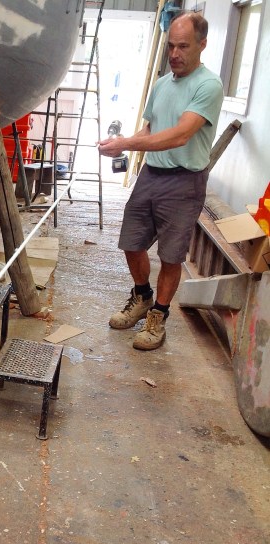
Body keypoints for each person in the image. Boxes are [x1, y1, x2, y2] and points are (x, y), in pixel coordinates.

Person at [97, 11, 223, 351]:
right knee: (131, 241)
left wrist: (126, 144)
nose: (174, 54)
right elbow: (151, 128)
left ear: (202, 45)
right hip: (151, 174)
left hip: (184, 181)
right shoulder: (162, 83)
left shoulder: (208, 85)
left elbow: (180, 135)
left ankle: (158, 316)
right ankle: (142, 297)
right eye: (170, 46)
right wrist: (123, 142)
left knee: (170, 255)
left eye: (183, 46)